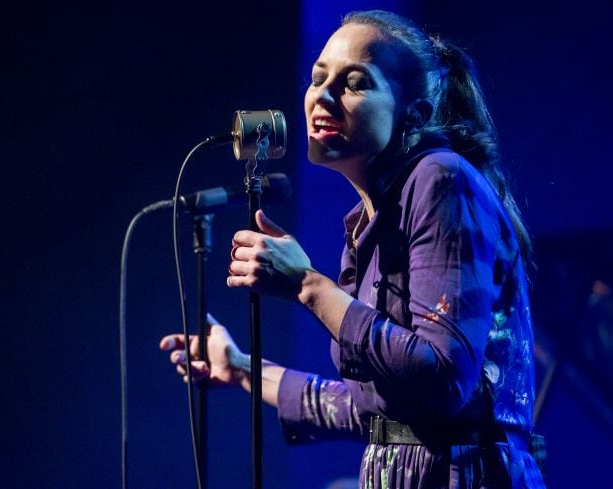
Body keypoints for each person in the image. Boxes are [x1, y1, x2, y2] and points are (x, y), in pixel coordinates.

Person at [160, 10, 545, 489]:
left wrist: (308, 285)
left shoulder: (441, 178)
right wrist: (240, 368)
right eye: (318, 78)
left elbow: (444, 377)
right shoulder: (371, 220)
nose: (322, 95)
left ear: (414, 114)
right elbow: (369, 410)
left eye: (354, 82)